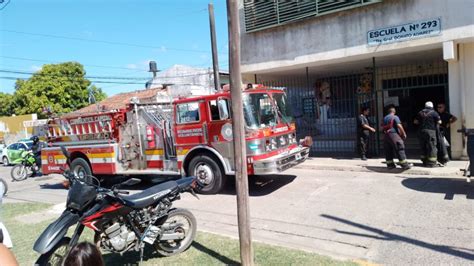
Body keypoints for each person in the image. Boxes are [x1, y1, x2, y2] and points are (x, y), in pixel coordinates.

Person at [414, 102, 441, 167]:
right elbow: (439, 122)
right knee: (432, 146)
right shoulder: (434, 113)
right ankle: (432, 162)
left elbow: (415, 122)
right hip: (431, 132)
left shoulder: (420, 113)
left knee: (423, 145)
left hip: (421, 131)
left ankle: (424, 160)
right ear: (432, 106)